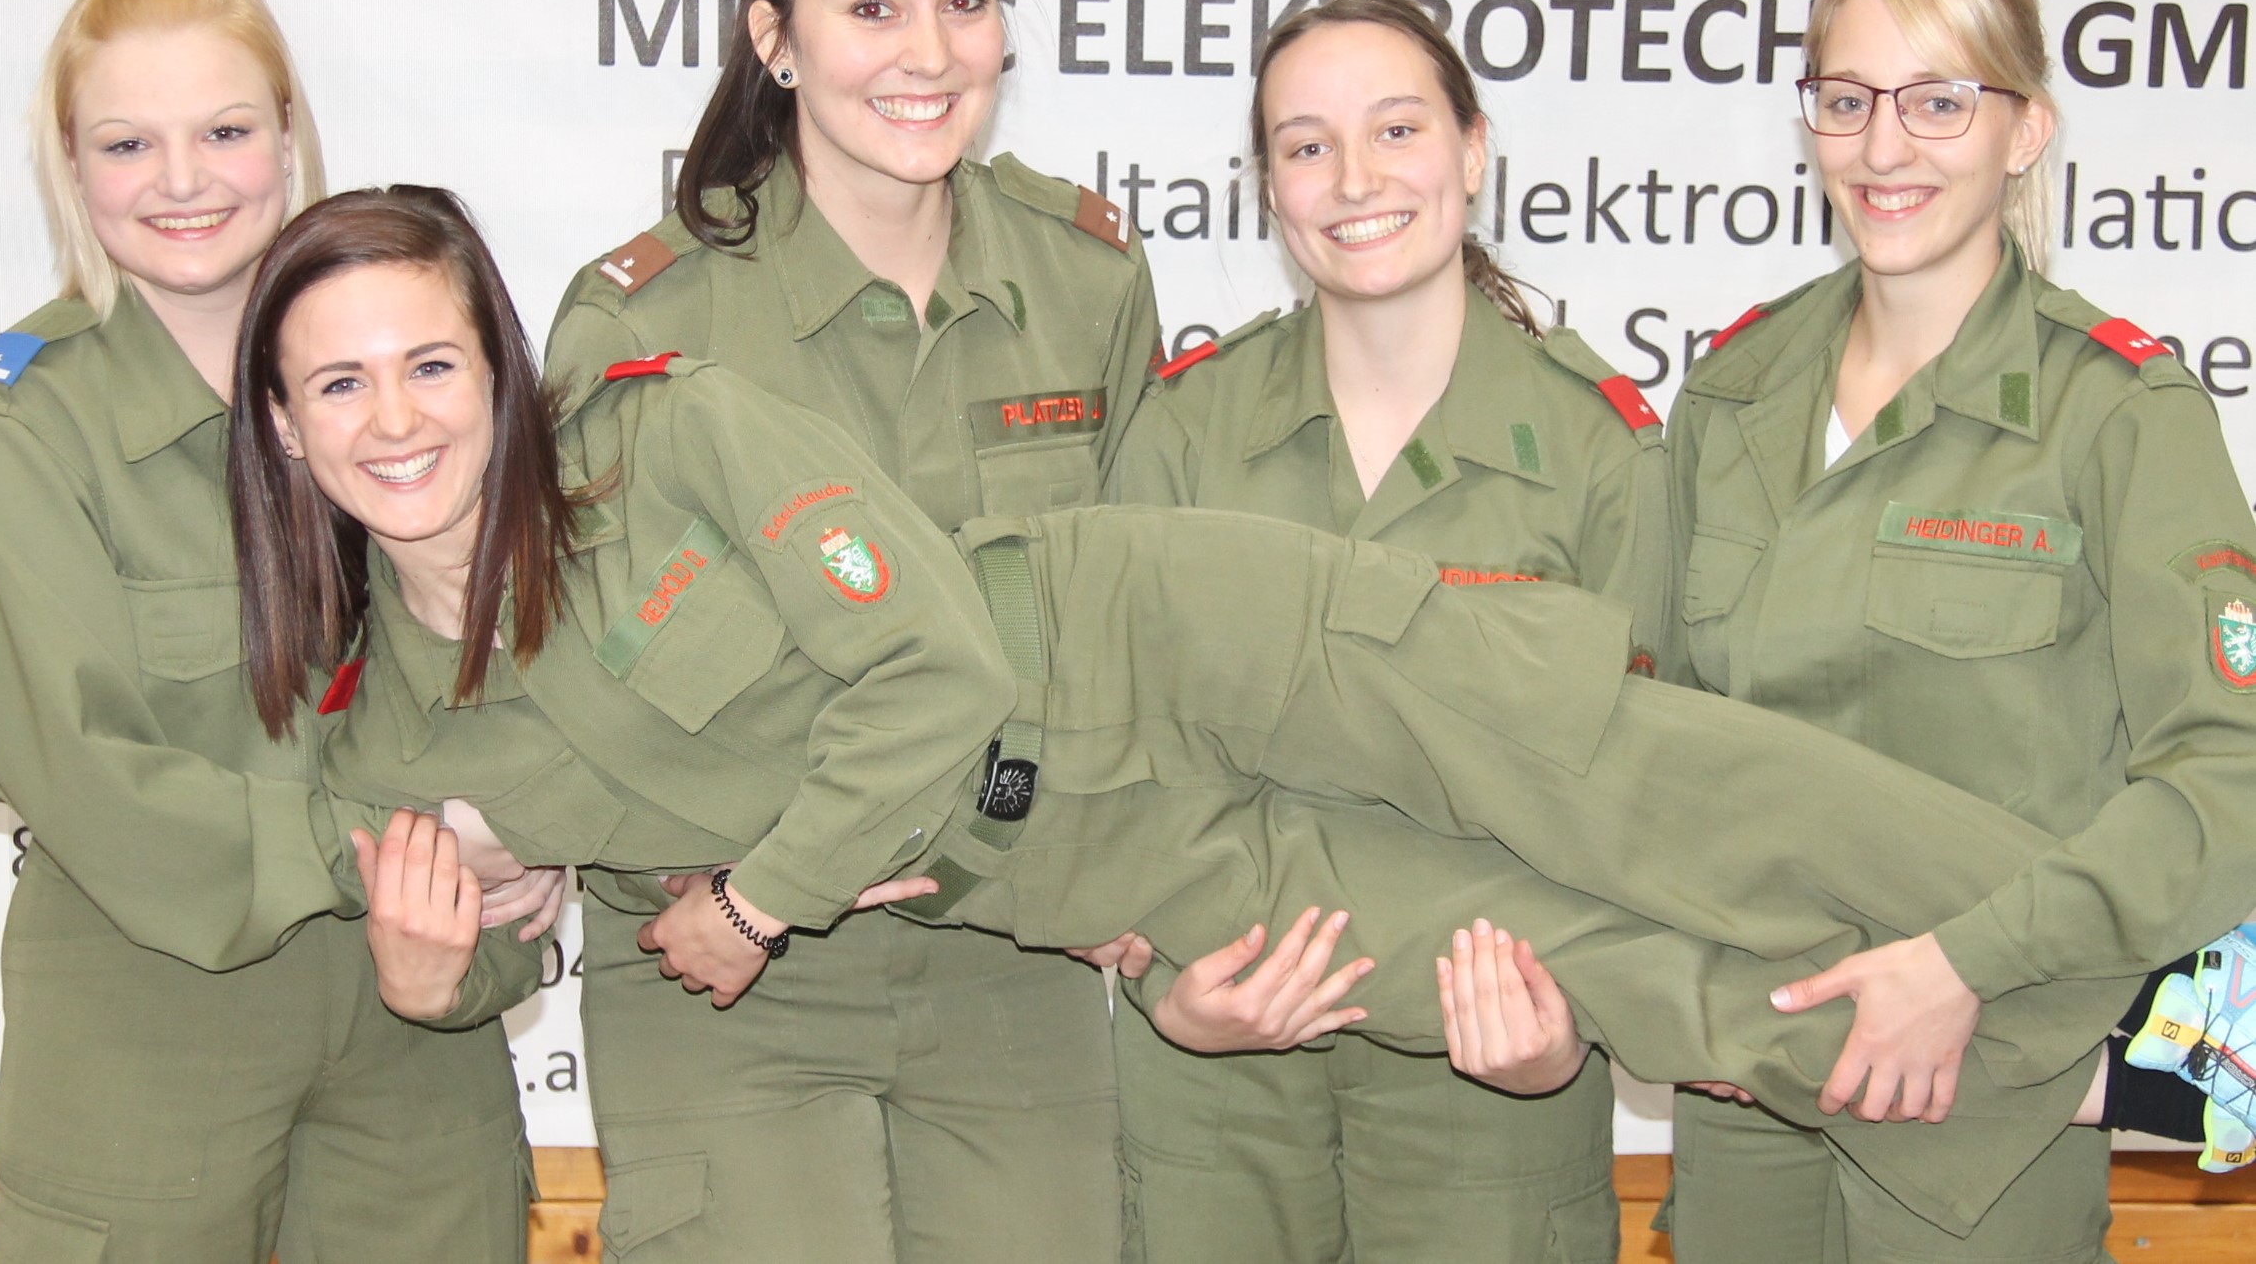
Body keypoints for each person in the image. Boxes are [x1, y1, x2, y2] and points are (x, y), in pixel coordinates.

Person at [250, 185, 2183, 1249]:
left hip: (1155, 638)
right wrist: (446, 962)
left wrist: (757, 898)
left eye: (431, 362)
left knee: (1632, 780)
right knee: (1539, 955)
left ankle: (2158, 979)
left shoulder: (660, 436)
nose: (395, 418)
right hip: (1079, 851)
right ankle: (2096, 1063)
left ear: (504, 369)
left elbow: (929, 666)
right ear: (281, 423)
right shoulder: (386, 728)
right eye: (338, 386)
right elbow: (492, 931)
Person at [541, 0, 1158, 1262]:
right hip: (725, 961)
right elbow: (579, 678)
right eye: (871, 7)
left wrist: (1127, 866)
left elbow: (1132, 621)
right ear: (776, 38)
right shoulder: (644, 319)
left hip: (1010, 949)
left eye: (966, 1)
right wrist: (761, 888)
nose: (927, 52)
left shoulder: (1084, 276)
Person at [1661, 0, 2256, 1262]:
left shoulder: (2117, 416)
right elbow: (1644, 731)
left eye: (1937, 101)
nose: (1884, 146)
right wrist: (1674, 988)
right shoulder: (1731, 396)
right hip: (1749, 1070)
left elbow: (2225, 775)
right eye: (1846, 99)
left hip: (1986, 1081)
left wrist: (1965, 964)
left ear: (2022, 130)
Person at [0, 0, 554, 1263]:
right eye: (128, 143)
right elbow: (90, 776)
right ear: (69, 165)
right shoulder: (17, 431)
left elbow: (511, 658)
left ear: (288, 136)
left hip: (417, 1005)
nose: (184, 180)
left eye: (225, 131)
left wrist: (545, 825)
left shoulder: (397, 394)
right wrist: (414, 843)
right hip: (153, 1007)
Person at [1096, 0, 1664, 1264]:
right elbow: (1109, 748)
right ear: (1270, 187)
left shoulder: (1599, 452)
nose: (1355, 179)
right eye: (1307, 146)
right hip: (1218, 1067)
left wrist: (1566, 1029)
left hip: (1489, 1076)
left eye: (1397, 130)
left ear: (1473, 150)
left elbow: (1650, 791)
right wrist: (1169, 994)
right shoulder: (1183, 432)